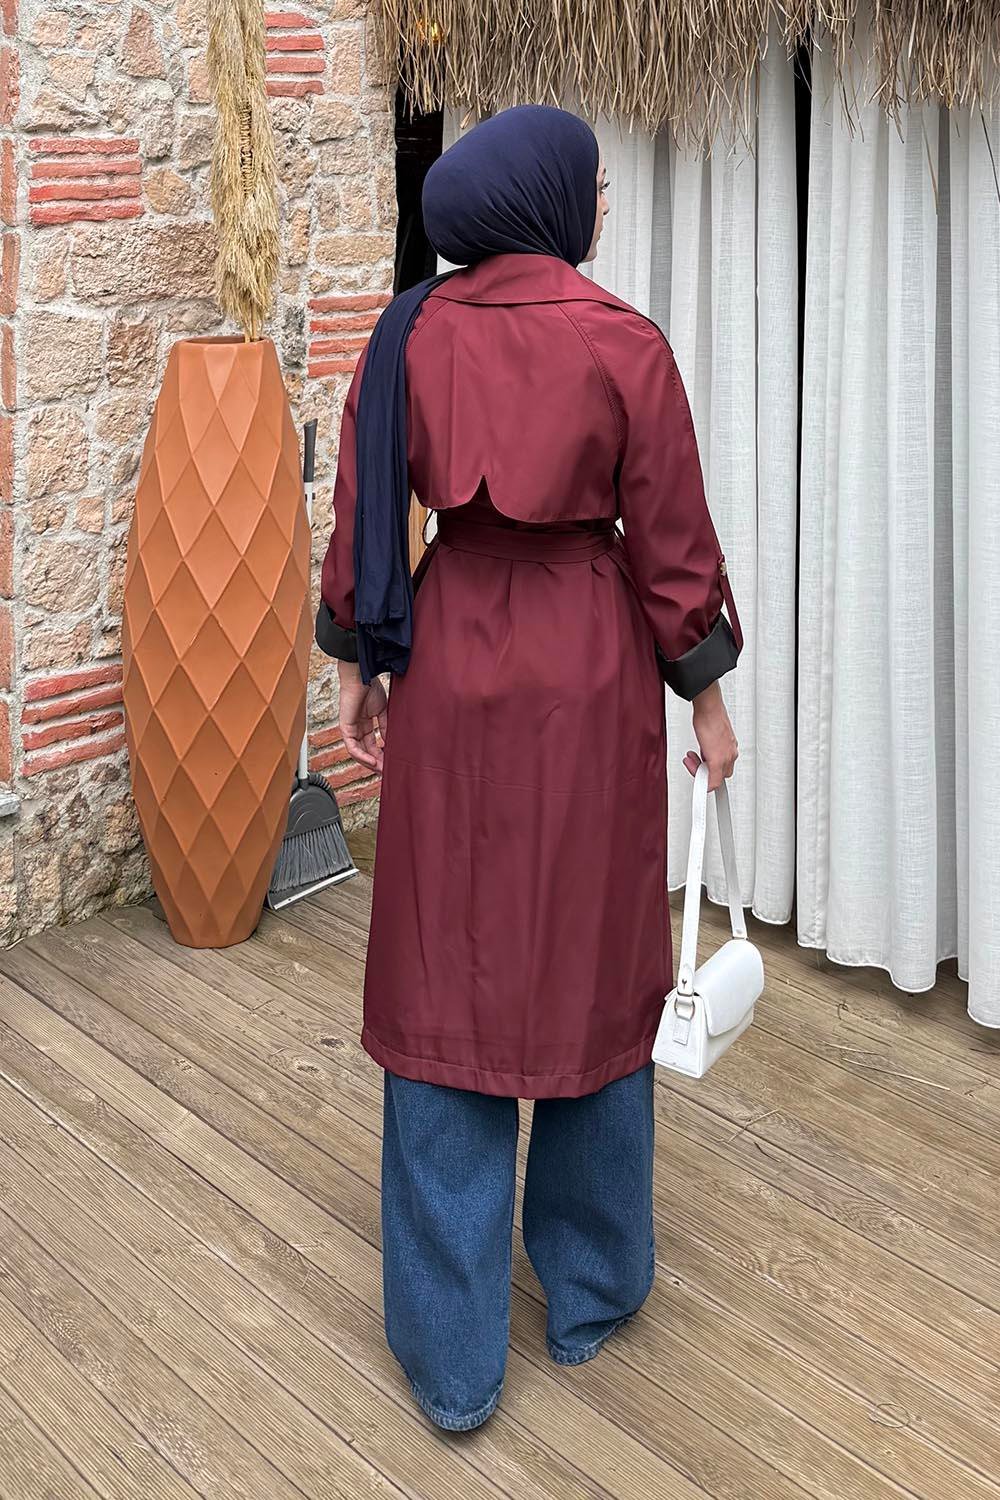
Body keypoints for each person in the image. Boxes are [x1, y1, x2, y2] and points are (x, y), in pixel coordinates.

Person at [315, 104, 741, 1433]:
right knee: (593, 956)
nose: (603, 204)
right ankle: (592, 1289)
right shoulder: (624, 343)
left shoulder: (407, 337)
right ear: (544, 197)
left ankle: (450, 1358)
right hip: (589, 673)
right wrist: (709, 702)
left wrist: (357, 664)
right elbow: (672, 546)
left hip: (449, 661)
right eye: (594, 185)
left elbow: (367, 510)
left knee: (444, 958)